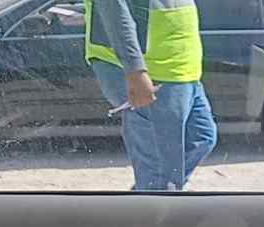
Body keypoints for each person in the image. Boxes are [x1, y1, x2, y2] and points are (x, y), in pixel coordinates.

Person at [85, 0, 217, 191]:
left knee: (202, 138)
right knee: (159, 170)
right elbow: (115, 12)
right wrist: (135, 71)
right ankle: (154, 196)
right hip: (150, 72)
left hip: (181, 69)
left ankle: (151, 192)